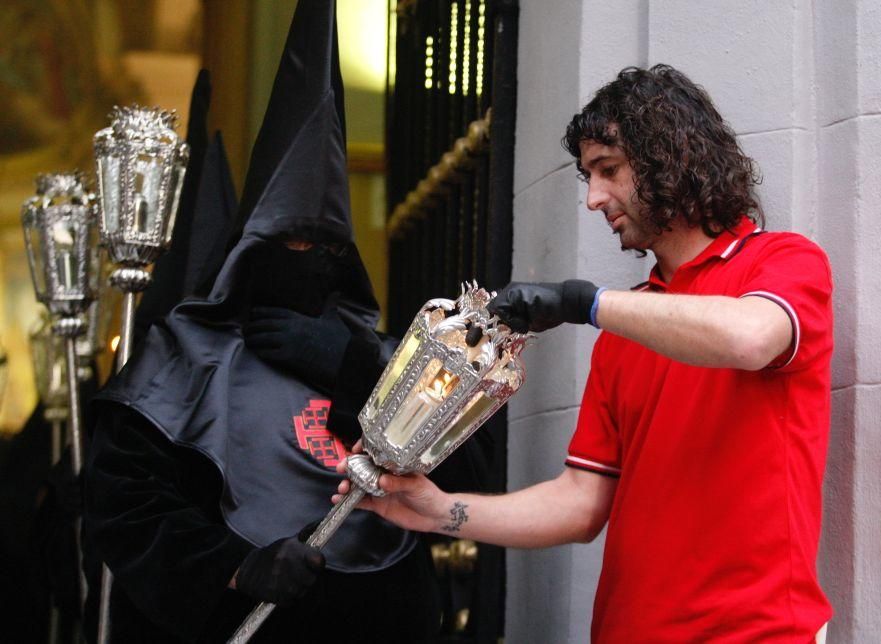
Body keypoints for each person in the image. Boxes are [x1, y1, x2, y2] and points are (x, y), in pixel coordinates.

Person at [337, 65, 835, 643]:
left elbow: (750, 338)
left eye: (609, 170)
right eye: (588, 176)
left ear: (669, 157)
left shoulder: (783, 261)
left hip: (755, 633)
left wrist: (583, 302)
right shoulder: (625, 329)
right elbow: (580, 504)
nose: (595, 198)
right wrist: (440, 511)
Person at [82, 2, 486, 641]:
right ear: (253, 249)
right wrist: (238, 567)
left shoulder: (385, 358)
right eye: (294, 246)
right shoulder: (184, 358)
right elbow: (124, 505)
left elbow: (470, 481)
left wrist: (353, 370)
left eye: (329, 250)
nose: (314, 263)